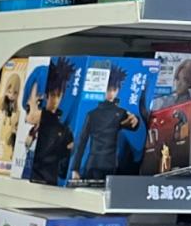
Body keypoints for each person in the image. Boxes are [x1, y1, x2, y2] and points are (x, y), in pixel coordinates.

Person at [71, 64, 141, 182]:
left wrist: (135, 120)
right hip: (95, 163)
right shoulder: (92, 114)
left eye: (114, 89)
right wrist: (75, 169)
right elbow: (82, 142)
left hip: (109, 164)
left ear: (118, 90)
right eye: (109, 89)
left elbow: (133, 126)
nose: (111, 93)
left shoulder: (121, 112)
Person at [29, 58, 76, 188]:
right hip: (32, 178)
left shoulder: (65, 131)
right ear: (46, 95)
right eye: (52, 95)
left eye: (58, 95)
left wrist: (68, 152)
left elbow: (62, 170)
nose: (55, 100)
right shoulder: (38, 119)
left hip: (50, 184)